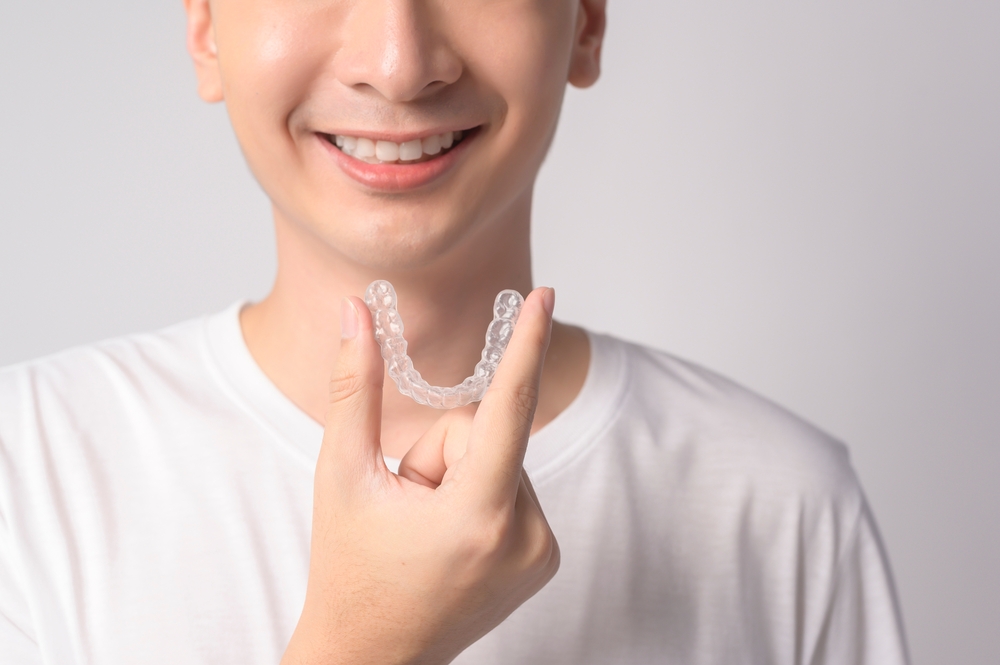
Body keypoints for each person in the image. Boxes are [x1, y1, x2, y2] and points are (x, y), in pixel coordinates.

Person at [0, 0, 910, 663]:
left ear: (586, 21)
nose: (397, 62)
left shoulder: (782, 504)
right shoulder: (28, 476)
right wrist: (365, 642)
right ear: (205, 27)